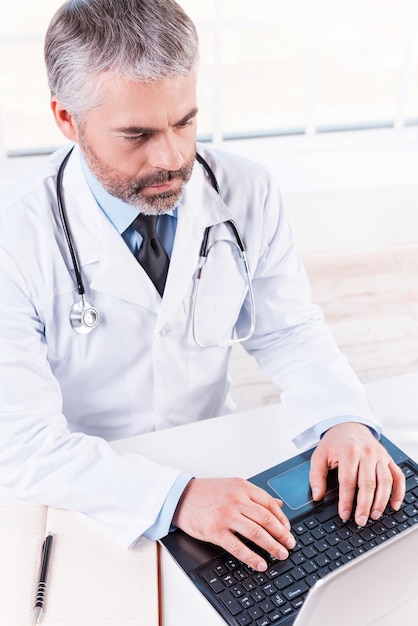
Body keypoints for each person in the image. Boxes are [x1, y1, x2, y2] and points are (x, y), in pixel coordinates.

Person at [0, 0, 404, 573]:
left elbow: (288, 331)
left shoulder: (246, 191)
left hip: (216, 455)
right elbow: (21, 442)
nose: (171, 157)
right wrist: (177, 497)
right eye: (136, 134)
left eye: (185, 121)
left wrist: (343, 419)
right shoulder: (14, 236)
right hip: (87, 489)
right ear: (67, 119)